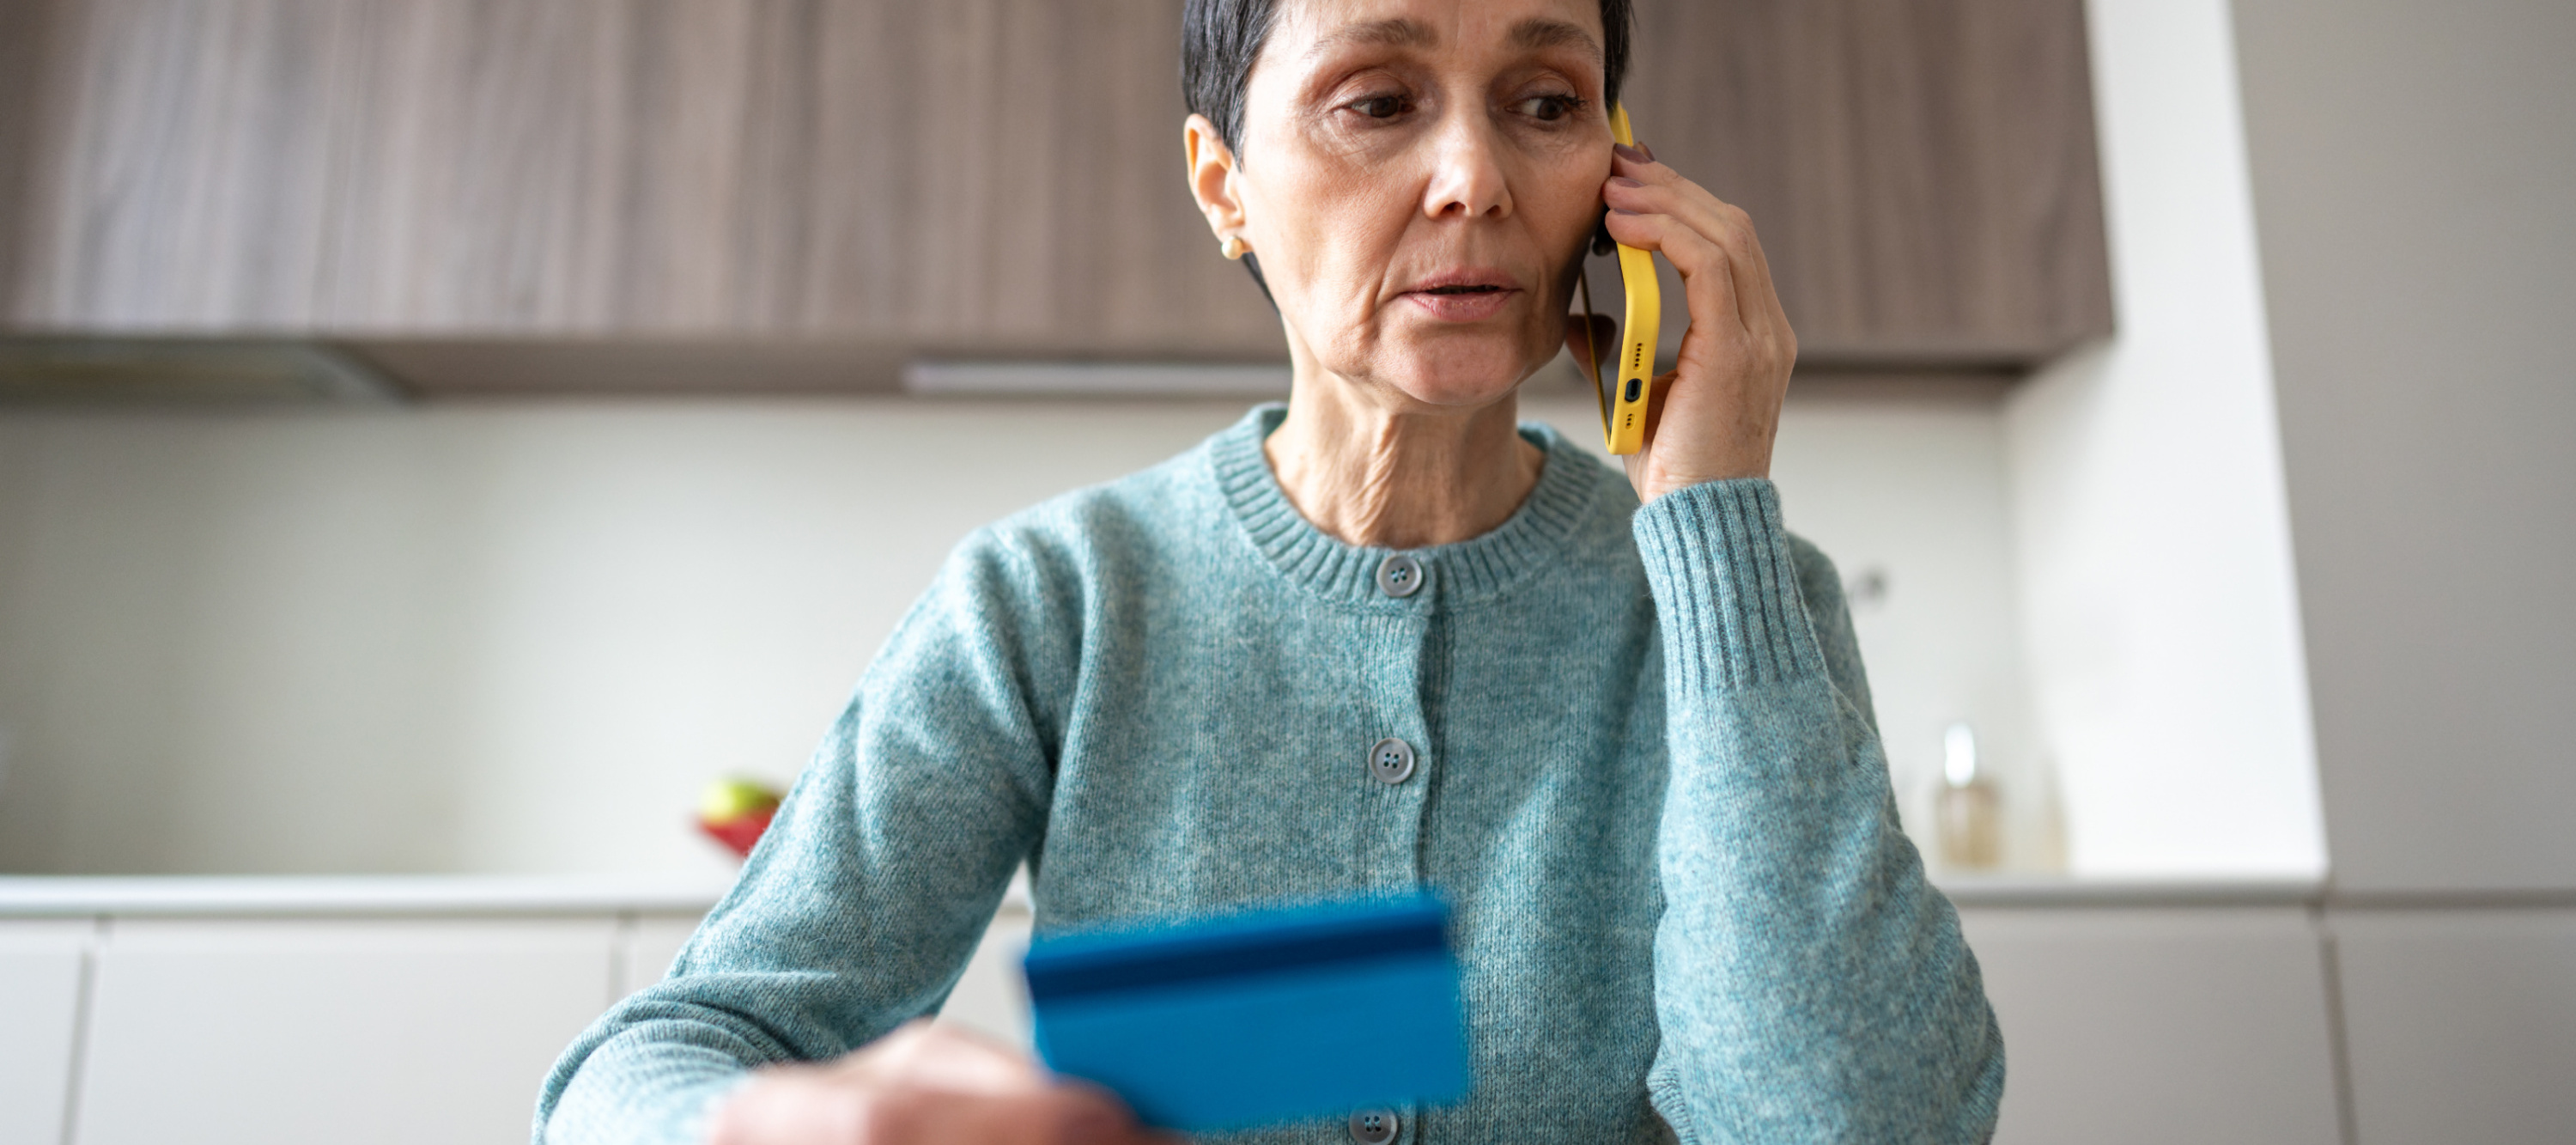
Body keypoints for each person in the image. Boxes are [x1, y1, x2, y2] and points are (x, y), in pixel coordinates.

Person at [534, 0, 2004, 1141]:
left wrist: (1716, 514)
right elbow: (641, 1069)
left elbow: (1859, 1124)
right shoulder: (1055, 603)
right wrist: (770, 1119)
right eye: (1378, 100)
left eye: (1546, 103)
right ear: (1223, 182)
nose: (1475, 178)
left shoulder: (1738, 598)